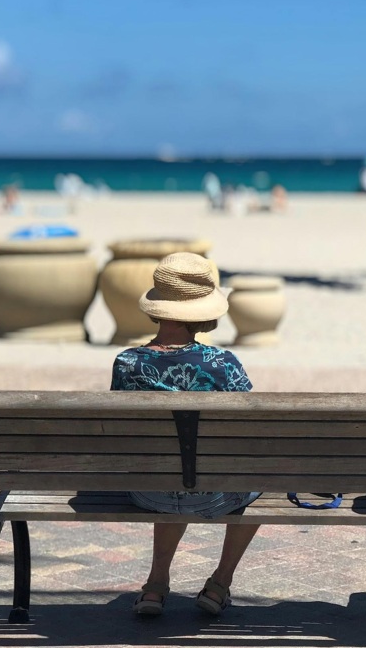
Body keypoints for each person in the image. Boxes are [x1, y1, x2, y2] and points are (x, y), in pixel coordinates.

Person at [111, 252, 261, 618]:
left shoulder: (126, 363)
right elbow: (250, 426)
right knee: (262, 475)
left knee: (171, 464)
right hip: (213, 497)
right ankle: (220, 582)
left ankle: (156, 585)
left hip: (148, 492)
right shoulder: (223, 365)